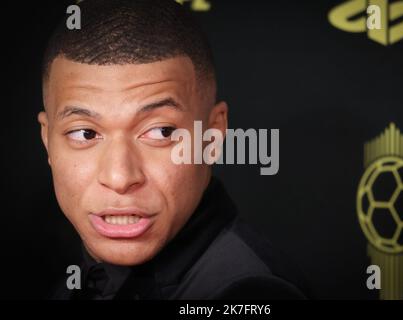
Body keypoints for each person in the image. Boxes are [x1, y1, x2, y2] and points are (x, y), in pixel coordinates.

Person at [39, 0, 307, 299]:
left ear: (212, 136)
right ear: (47, 139)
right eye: (85, 133)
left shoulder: (248, 293)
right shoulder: (73, 288)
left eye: (161, 132)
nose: (119, 177)